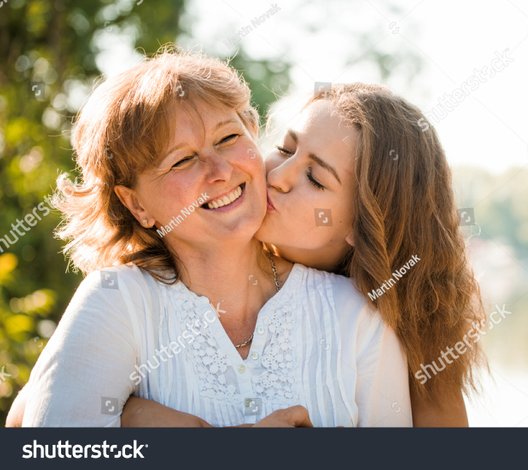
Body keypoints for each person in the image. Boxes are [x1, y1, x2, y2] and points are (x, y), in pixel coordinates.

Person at [7, 50, 411, 427]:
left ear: (253, 135)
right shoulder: (118, 300)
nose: (219, 170)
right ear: (136, 205)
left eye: (228, 139)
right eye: (182, 160)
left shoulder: (355, 314)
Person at [114, 83, 485, 427]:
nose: (278, 176)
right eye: (286, 149)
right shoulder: (162, 274)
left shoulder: (403, 346)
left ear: (364, 224)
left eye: (316, 179)